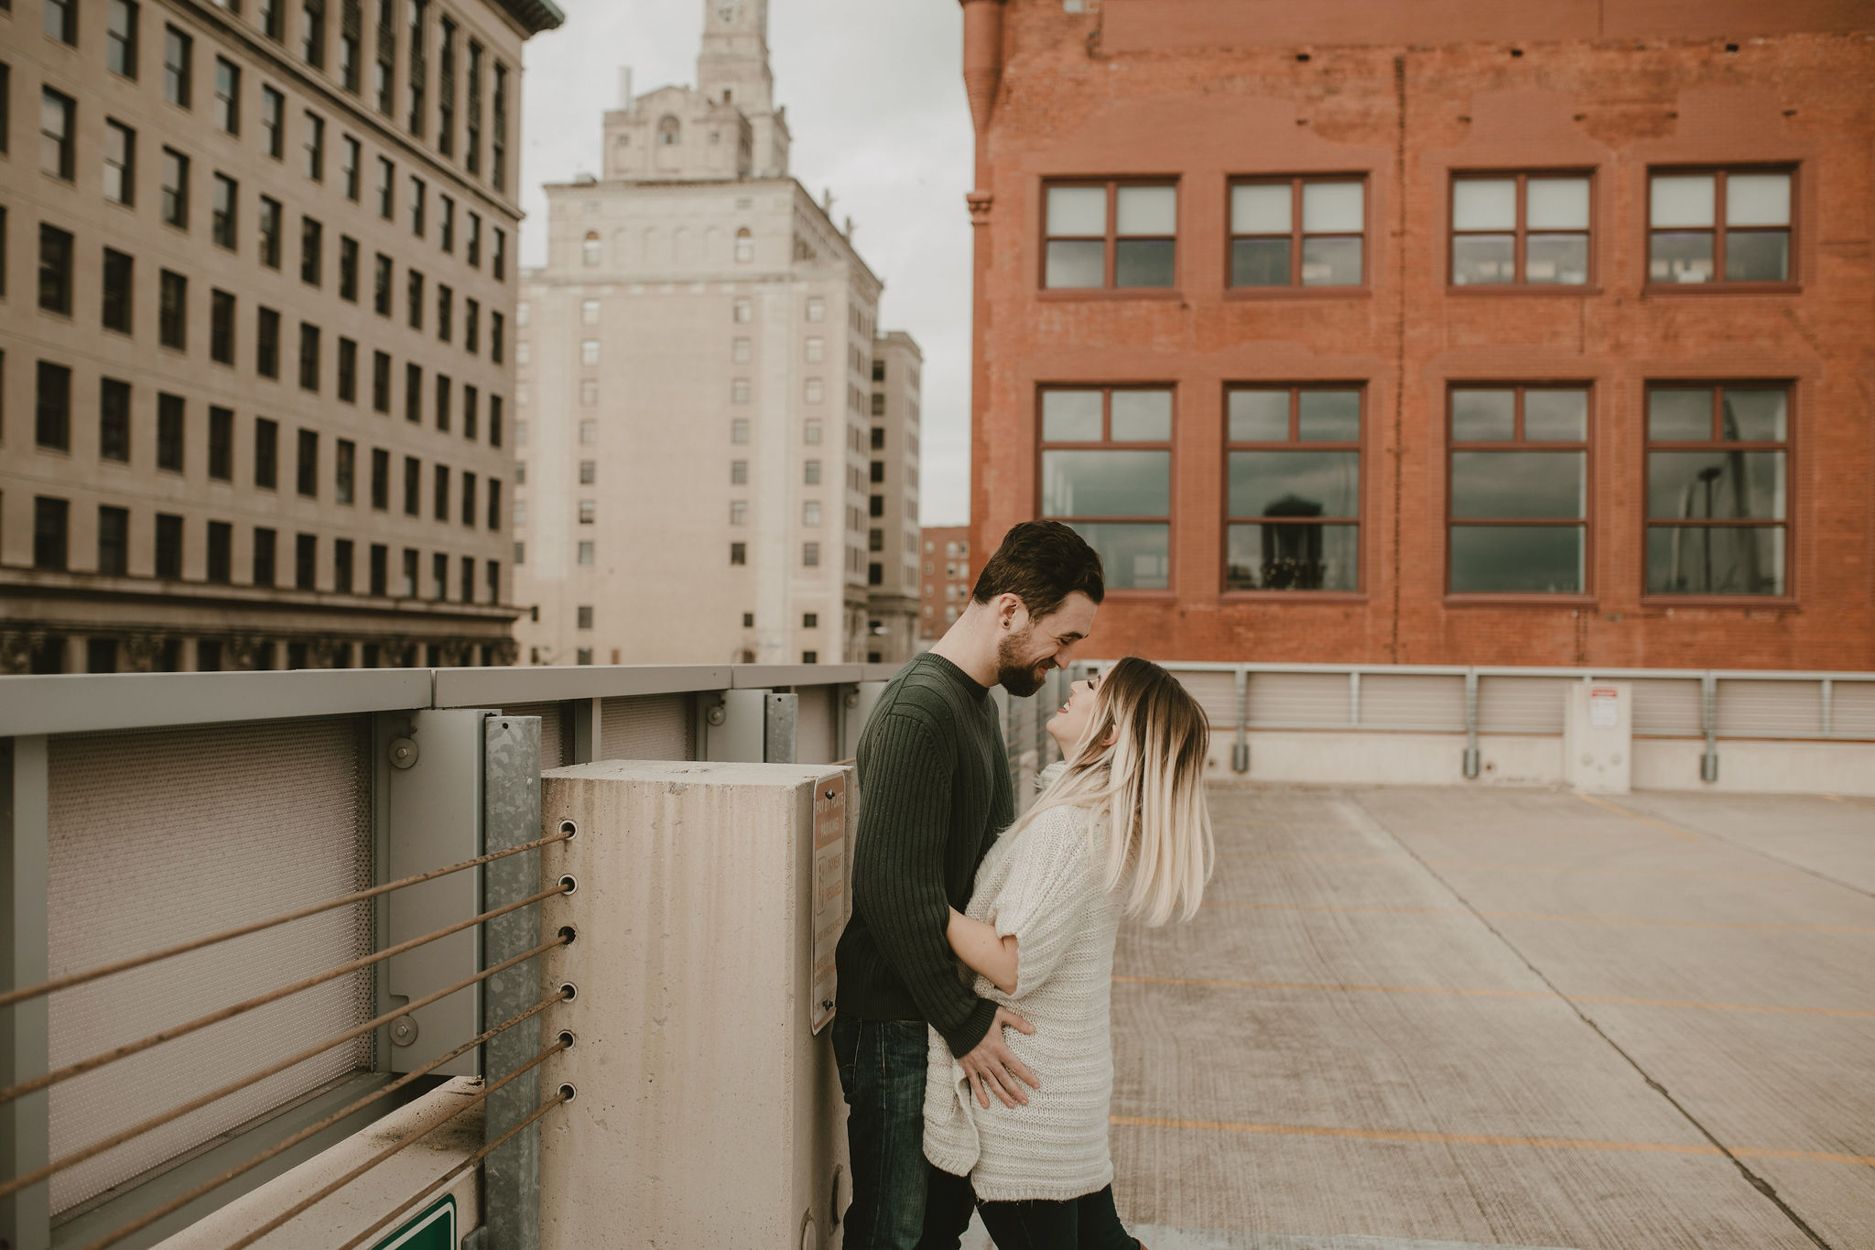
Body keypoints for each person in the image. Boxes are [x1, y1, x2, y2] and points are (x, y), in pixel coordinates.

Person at [832, 521, 1105, 1250]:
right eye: (1065, 638)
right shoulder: (921, 710)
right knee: (895, 1232)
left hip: (927, 1014)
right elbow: (890, 887)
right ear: (1010, 610)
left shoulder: (975, 704)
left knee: (929, 1232)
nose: (1064, 659)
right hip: (895, 1019)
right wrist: (965, 1023)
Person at [922, 657, 1214, 1249]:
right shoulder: (1099, 819)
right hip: (1056, 1090)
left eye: (1094, 686)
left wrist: (916, 899)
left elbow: (1012, 964)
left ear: (1109, 732)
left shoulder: (1069, 827)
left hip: (1021, 1100)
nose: (1075, 685)